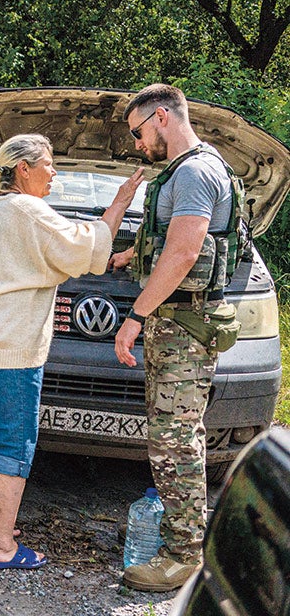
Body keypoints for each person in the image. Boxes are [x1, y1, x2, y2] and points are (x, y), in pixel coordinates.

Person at [0, 134, 142, 571]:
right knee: (14, 446)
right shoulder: (28, 210)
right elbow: (84, 247)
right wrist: (120, 202)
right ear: (24, 168)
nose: (55, 173)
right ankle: (0, 545)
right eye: (50, 165)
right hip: (9, 351)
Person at [112, 84, 240, 591]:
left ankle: (184, 557)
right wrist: (129, 258)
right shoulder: (190, 169)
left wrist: (135, 316)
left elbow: (186, 252)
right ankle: (182, 543)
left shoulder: (193, 172)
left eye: (139, 133)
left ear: (161, 116)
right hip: (180, 327)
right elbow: (171, 243)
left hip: (184, 329)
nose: (138, 144)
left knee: (175, 443)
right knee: (174, 438)